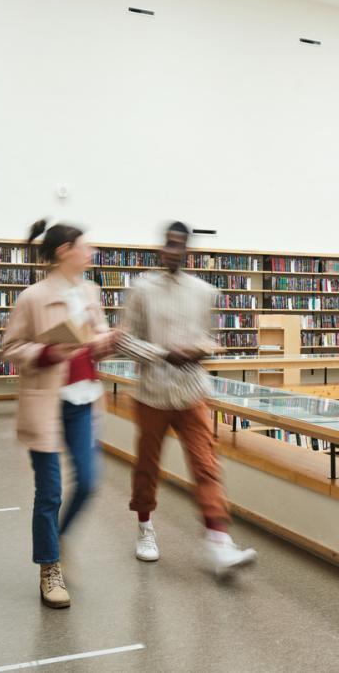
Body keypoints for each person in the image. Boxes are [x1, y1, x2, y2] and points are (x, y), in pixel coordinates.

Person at [116, 221, 257, 575]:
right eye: (168, 244)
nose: (172, 250)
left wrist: (200, 350)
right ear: (161, 248)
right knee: (147, 464)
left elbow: (209, 338)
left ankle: (218, 540)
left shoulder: (203, 291)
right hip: (153, 394)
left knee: (206, 464)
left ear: (188, 250)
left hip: (192, 391)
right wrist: (163, 353)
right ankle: (145, 527)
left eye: (179, 245)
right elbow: (124, 340)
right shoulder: (142, 290)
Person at [2, 220, 118, 609]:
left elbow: (95, 335)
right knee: (49, 492)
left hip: (83, 400)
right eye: (85, 246)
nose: (91, 253)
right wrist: (48, 352)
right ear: (65, 250)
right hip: (46, 405)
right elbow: (11, 347)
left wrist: (107, 343)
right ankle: (49, 567)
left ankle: (60, 539)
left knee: (88, 482)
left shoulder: (91, 291)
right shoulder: (32, 298)